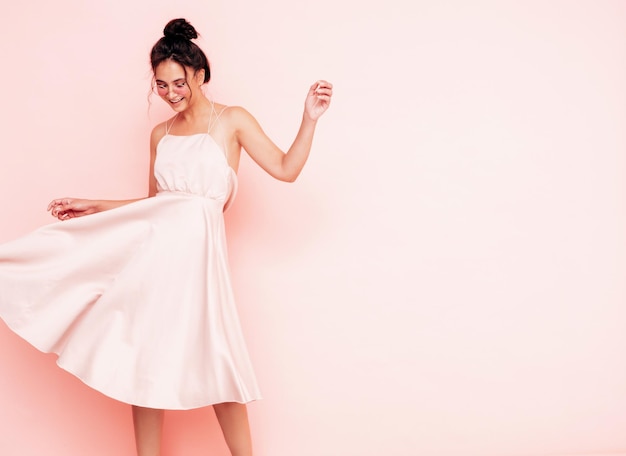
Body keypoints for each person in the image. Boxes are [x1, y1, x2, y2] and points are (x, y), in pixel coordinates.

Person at [0, 18, 332, 456]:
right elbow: (155, 204)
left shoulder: (231, 120)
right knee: (142, 352)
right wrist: (96, 205)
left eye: (179, 83)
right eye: (161, 85)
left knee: (216, 352)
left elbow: (286, 170)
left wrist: (308, 120)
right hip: (153, 257)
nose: (171, 94)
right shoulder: (161, 133)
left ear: (199, 74)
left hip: (197, 259)